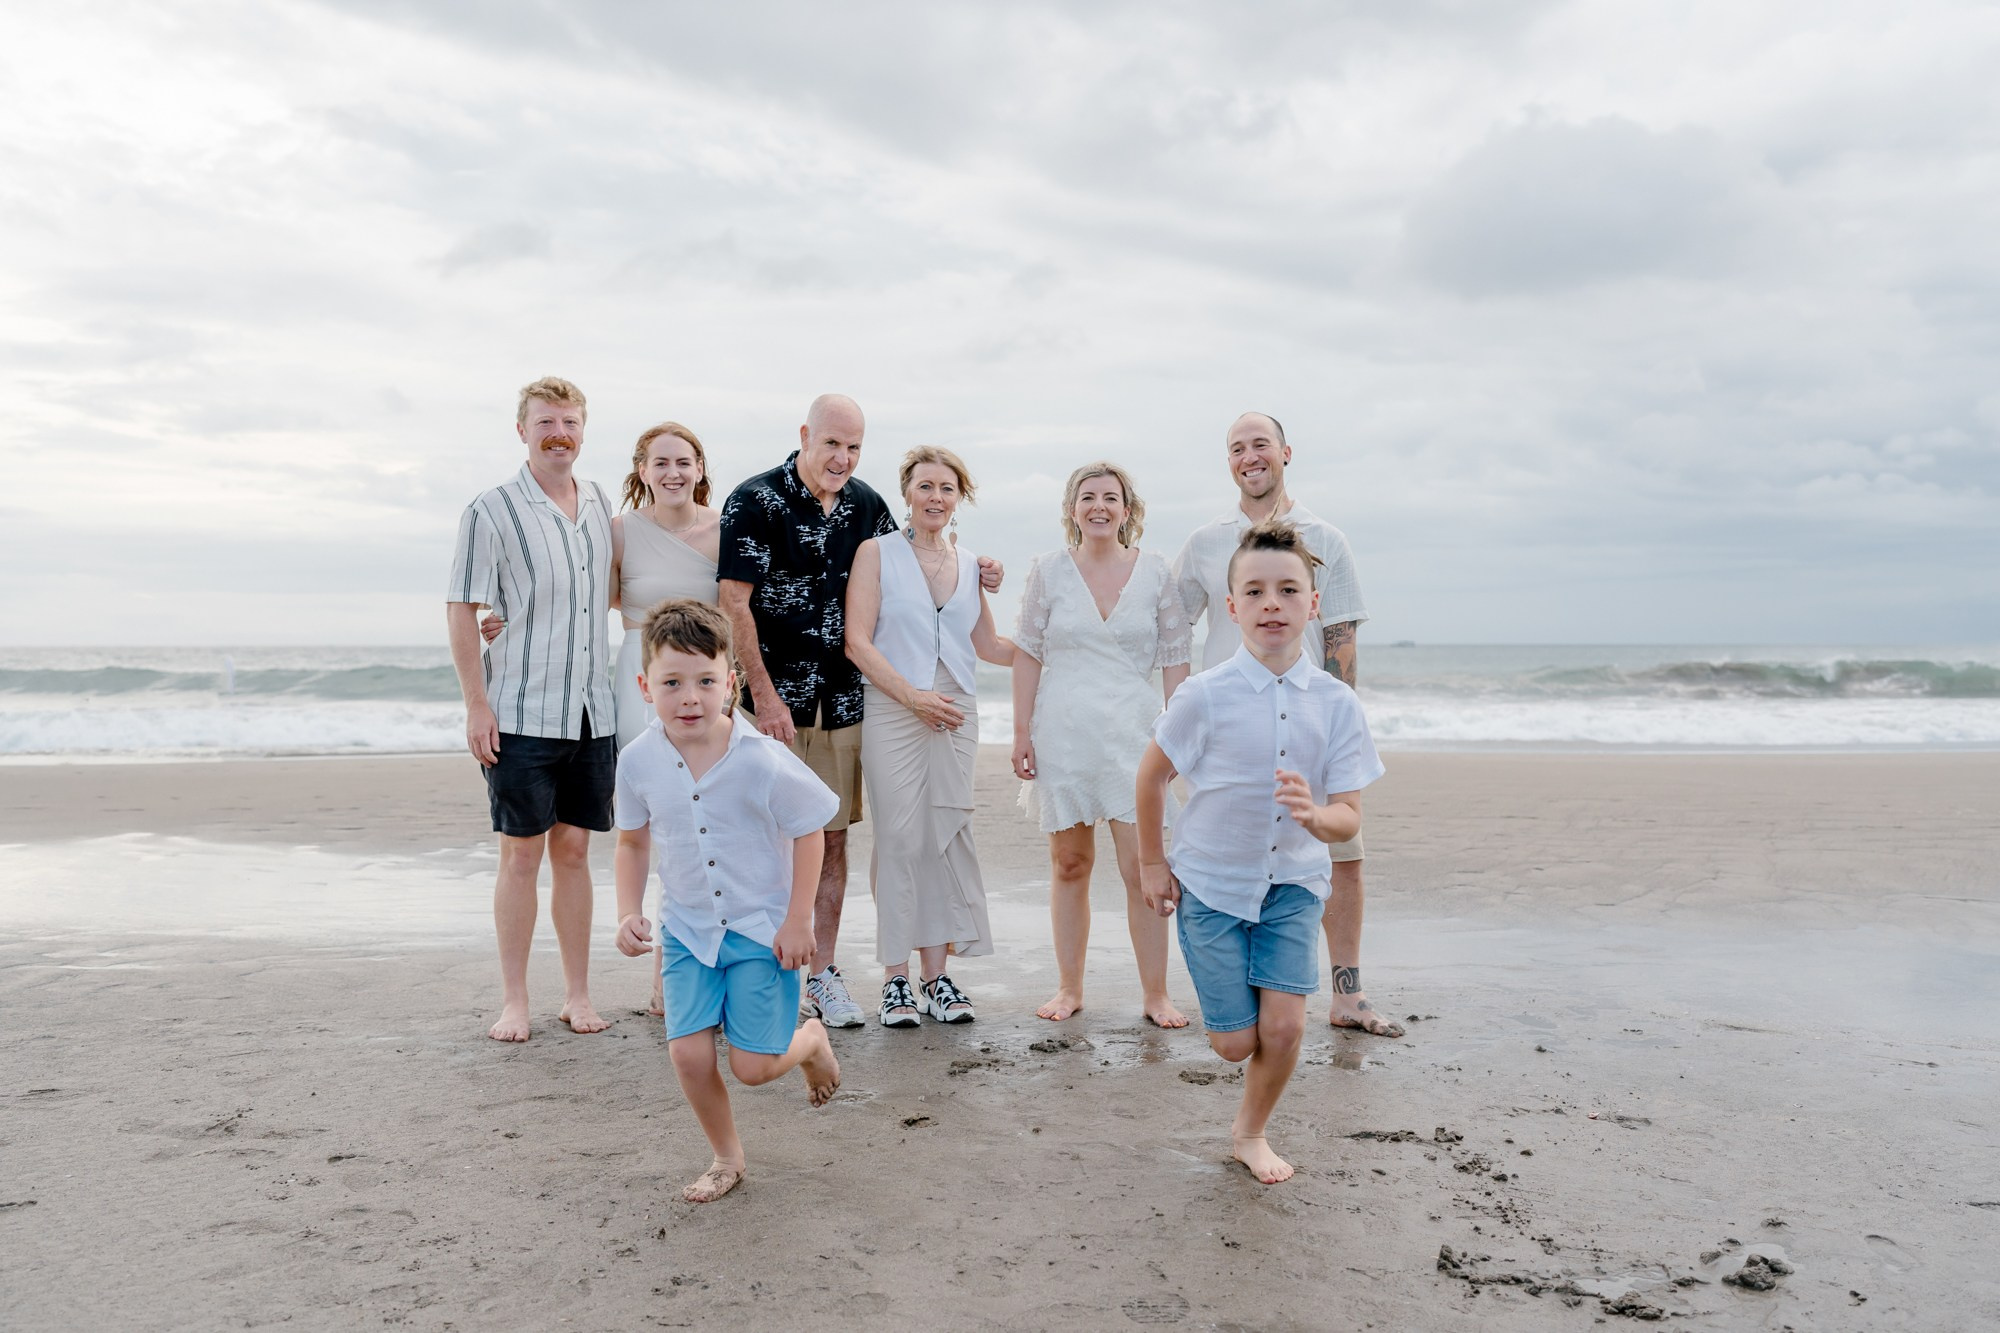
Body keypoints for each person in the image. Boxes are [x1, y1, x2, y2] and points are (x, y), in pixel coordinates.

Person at [717, 394, 1000, 1031]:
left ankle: (823, 974)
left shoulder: (866, 506)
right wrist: (763, 694)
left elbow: (913, 567)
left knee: (832, 839)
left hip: (846, 703)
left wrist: (981, 569)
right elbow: (734, 602)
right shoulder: (755, 500)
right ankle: (751, 975)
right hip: (773, 701)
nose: (842, 458)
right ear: (805, 436)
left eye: (853, 448)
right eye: (832, 444)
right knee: (757, 839)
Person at [1136, 521, 1385, 1183]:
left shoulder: (1336, 704)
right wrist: (1152, 863)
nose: (1272, 603)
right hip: (1212, 887)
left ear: (1314, 603)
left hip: (1294, 888)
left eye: (1288, 590)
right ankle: (1239, 1009)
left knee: (1283, 1029)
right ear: (1232, 607)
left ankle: (1250, 1132)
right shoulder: (1203, 695)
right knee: (1233, 1042)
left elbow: (1348, 814)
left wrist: (1316, 815)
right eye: (1254, 591)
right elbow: (1151, 777)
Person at [1169, 411, 1398, 1039]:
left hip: (1309, 724)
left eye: (1261, 444)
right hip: (1228, 731)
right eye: (1237, 448)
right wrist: (1175, 704)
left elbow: (1341, 636)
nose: (1250, 456)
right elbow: (1170, 624)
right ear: (1229, 462)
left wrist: (1337, 730)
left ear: (1286, 453)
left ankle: (1347, 993)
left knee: (1341, 855)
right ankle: (1243, 993)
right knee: (1231, 855)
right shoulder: (1205, 542)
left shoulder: (1327, 538)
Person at [481, 420, 721, 1017]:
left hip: (708, 684)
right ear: (642, 471)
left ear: (699, 468)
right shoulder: (617, 530)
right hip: (639, 681)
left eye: (683, 462)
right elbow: (582, 593)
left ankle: (695, 969)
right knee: (658, 822)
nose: (673, 473)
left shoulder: (726, 529)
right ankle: (665, 974)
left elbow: (744, 606)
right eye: (660, 462)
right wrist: (509, 618)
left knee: (707, 829)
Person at [611, 600, 843, 1203]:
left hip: (760, 930)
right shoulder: (636, 761)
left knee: (753, 1068)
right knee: (688, 1055)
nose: (689, 698)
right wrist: (628, 911)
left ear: (731, 683)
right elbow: (632, 841)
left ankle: (810, 1041)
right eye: (671, 683)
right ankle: (726, 1158)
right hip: (687, 930)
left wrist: (799, 921)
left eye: (705, 682)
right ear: (645, 686)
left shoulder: (761, 758)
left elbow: (810, 830)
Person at [445, 376, 616, 1042]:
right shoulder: (490, 510)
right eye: (546, 422)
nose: (558, 433)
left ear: (583, 430)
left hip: (592, 712)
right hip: (518, 710)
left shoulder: (599, 503)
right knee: (520, 857)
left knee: (574, 852)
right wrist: (476, 705)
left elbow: (606, 594)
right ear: (523, 430)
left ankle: (577, 995)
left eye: (569, 422)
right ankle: (514, 1001)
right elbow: (462, 607)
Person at [1011, 461, 1191, 1026]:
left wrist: (1176, 736)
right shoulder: (1048, 571)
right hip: (1063, 734)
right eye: (1087, 497)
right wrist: (1020, 731)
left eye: (1110, 497)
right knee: (1070, 863)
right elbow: (1027, 652)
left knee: (1142, 867)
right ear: (1072, 509)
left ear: (1126, 510)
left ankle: (1156, 994)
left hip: (1135, 737)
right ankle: (1070, 988)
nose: (1099, 506)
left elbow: (1175, 658)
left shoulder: (1155, 572)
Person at [844, 447, 1016, 1026]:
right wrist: (912, 697)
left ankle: (937, 978)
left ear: (959, 497)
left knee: (943, 838)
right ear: (907, 493)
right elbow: (856, 642)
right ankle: (895, 979)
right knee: (898, 837)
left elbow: (989, 646)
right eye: (925, 486)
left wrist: (1060, 645)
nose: (935, 497)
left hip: (957, 711)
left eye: (946, 487)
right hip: (894, 707)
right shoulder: (876, 553)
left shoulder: (970, 564)